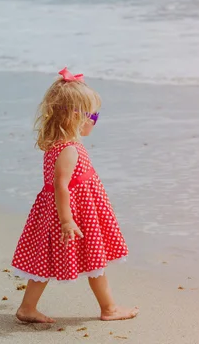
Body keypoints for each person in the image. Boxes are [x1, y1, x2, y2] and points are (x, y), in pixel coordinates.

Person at [11, 67, 139, 323]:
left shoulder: (58, 145)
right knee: (94, 259)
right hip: (76, 215)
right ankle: (109, 308)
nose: (95, 120)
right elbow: (61, 186)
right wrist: (67, 221)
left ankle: (28, 308)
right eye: (94, 115)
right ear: (74, 117)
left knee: (45, 263)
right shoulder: (68, 150)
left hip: (66, 211)